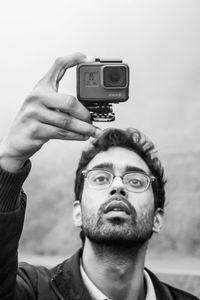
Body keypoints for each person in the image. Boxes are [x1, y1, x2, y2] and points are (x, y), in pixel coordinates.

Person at [0, 53, 198, 300]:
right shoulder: (31, 291)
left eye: (135, 181)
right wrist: (8, 160)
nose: (117, 186)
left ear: (158, 219)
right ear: (77, 212)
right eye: (101, 178)